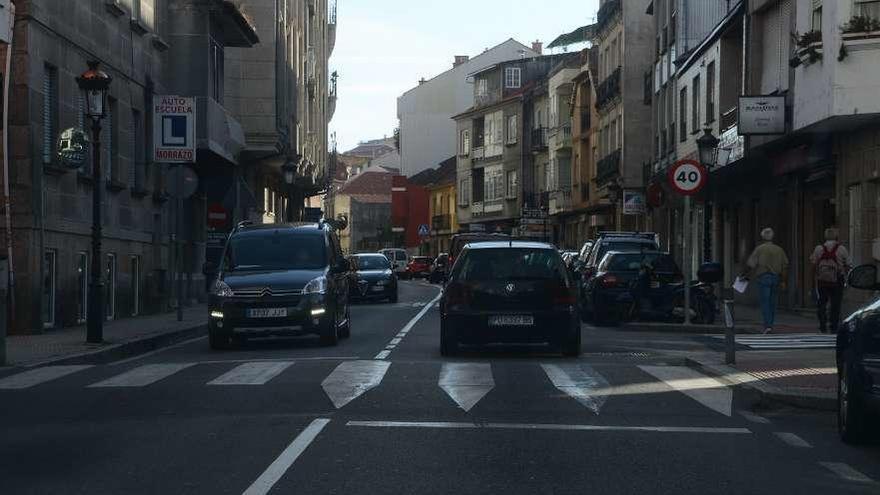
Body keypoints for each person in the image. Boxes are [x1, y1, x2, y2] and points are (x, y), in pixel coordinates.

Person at [744, 228, 789, 334]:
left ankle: (768, 325)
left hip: (763, 277)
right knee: (773, 302)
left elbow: (751, 264)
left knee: (765, 302)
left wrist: (744, 275)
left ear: (762, 237)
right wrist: (783, 281)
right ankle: (771, 324)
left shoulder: (759, 249)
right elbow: (785, 266)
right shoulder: (779, 250)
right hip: (776, 277)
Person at [810, 228, 850, 334]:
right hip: (837, 279)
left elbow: (813, 264)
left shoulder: (818, 248)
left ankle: (822, 325)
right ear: (836, 236)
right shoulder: (841, 249)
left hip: (822, 280)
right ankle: (834, 326)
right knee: (835, 303)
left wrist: (814, 276)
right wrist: (844, 273)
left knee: (822, 303)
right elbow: (848, 264)